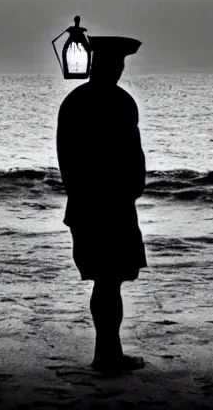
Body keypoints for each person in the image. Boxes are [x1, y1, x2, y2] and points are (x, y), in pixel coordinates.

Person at [56, 35, 147, 373]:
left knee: (106, 280)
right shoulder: (119, 102)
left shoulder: (75, 101)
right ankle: (107, 355)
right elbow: (128, 153)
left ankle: (108, 351)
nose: (121, 70)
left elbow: (68, 160)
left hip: (90, 205)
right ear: (104, 64)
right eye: (118, 63)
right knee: (109, 281)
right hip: (110, 205)